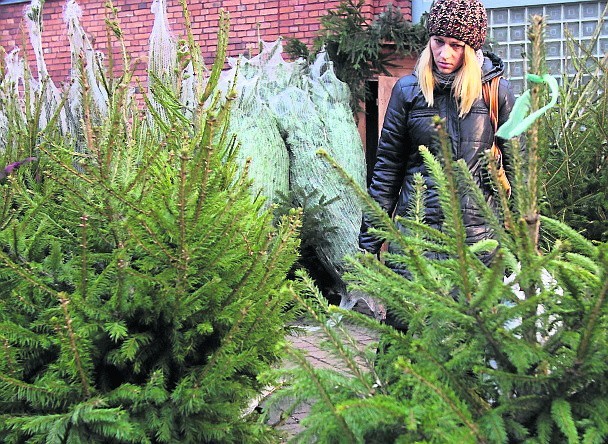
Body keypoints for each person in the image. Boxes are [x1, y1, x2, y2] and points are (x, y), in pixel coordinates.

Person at [359, 0, 518, 274]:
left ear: (471, 49)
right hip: (416, 236)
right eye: (438, 41)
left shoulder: (497, 93)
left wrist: (520, 243)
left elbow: (518, 171)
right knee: (407, 315)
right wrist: (369, 244)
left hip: (478, 241)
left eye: (456, 46)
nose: (444, 53)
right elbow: (388, 169)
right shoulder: (408, 91)